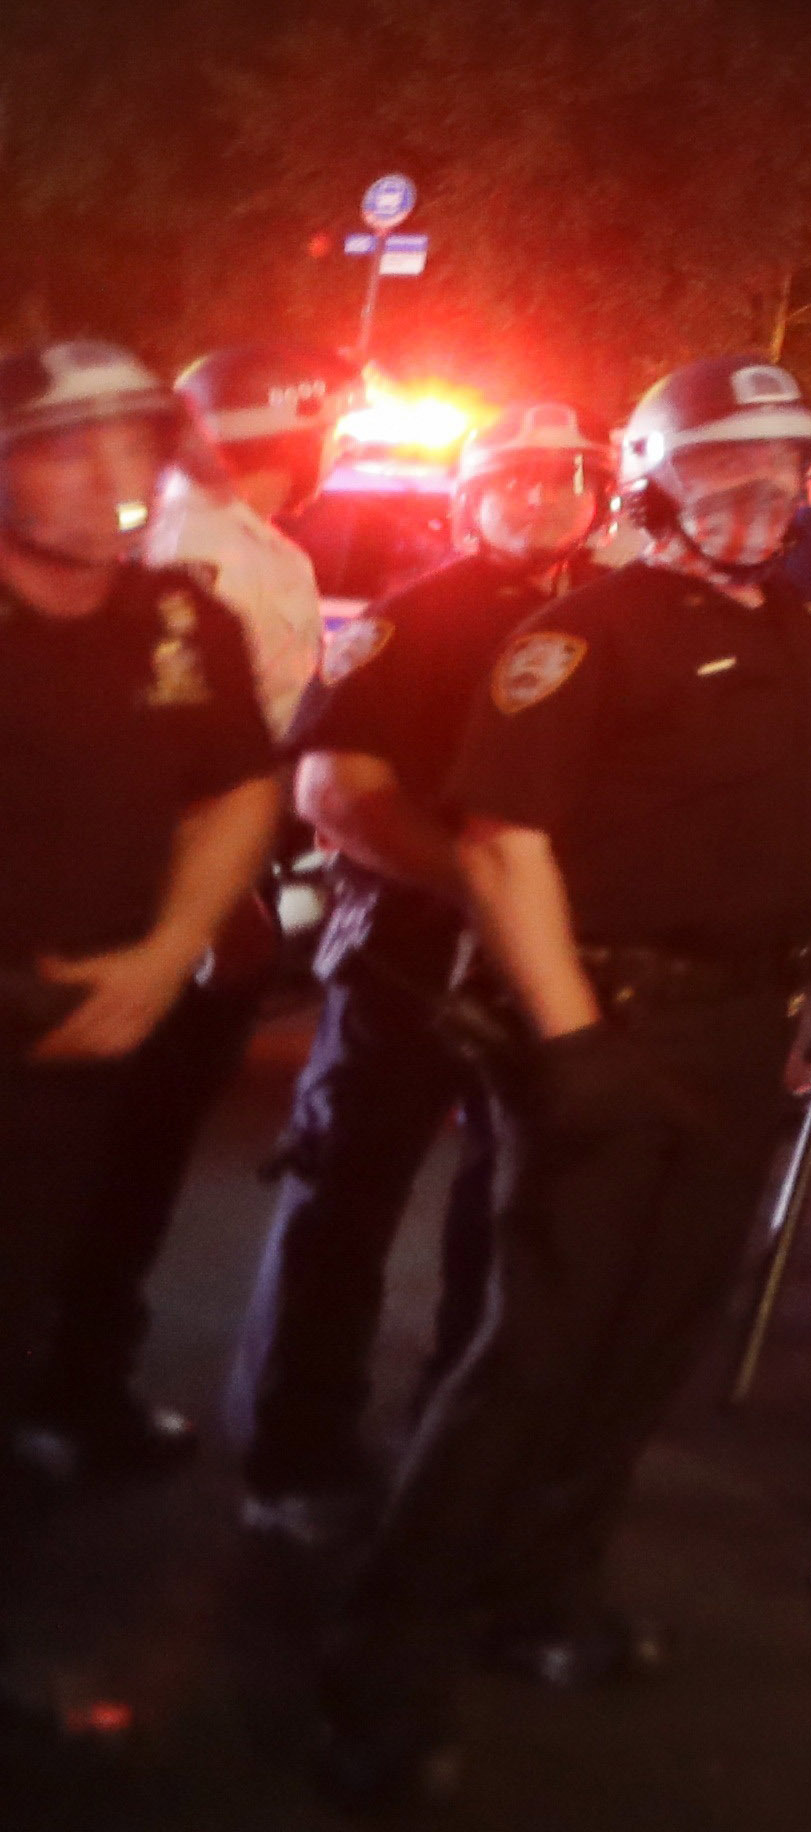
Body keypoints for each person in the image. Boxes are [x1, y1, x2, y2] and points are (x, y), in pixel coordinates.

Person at [311, 355, 811, 1805]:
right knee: (529, 1359)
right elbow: (507, 848)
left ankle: (541, 1596)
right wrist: (568, 1045)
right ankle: (381, 1670)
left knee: (646, 1349)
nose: (760, 495)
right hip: (607, 1024)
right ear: (652, 481)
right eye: (720, 467)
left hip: (737, 1035)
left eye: (786, 466)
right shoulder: (586, 636)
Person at [230, 401, 611, 1548]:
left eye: (564, 478)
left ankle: (462, 1437)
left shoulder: (612, 619)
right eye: (517, 479)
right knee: (344, 1204)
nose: (540, 498)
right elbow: (336, 797)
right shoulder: (412, 621)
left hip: (550, 967)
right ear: (470, 494)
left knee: (510, 1216)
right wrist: (484, 887)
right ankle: (293, 1456)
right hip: (409, 959)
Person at [0, 342, 283, 1772]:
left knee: (32, 1324)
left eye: (127, 445)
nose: (103, 476)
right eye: (61, 446)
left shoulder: (181, 613)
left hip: (91, 1046)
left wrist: (174, 944)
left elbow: (239, 778)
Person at [35, 345, 336, 1493]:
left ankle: (75, 1382)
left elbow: (241, 762)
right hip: (137, 896)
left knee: (120, 1165)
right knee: (111, 1169)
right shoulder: (186, 556)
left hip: (185, 891)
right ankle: (71, 1389)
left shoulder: (204, 555)